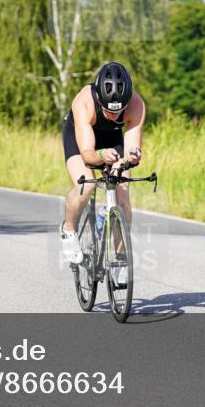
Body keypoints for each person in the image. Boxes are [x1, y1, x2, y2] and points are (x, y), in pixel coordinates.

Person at [59, 62, 146, 284]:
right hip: (82, 140)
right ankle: (68, 229)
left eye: (117, 111)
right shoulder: (84, 102)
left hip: (113, 140)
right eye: (108, 109)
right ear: (99, 98)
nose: (111, 114)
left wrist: (133, 156)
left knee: (123, 197)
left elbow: (131, 147)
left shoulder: (136, 104)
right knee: (86, 185)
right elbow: (88, 154)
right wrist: (101, 155)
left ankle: (119, 259)